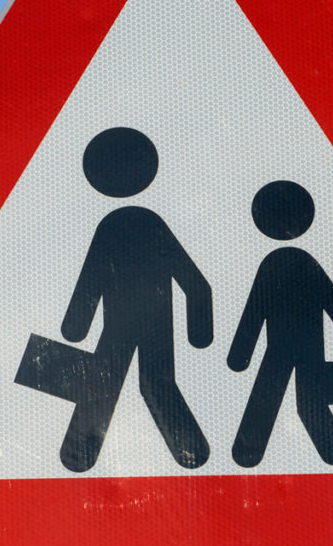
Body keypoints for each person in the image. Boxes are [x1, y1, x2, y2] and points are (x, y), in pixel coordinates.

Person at [16, 127, 213, 472]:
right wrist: (200, 328)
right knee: (153, 382)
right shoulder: (147, 223)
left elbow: (92, 278)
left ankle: (80, 456)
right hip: (149, 326)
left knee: (110, 383)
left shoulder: (116, 224)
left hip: (123, 326)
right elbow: (195, 284)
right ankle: (188, 451)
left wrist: (76, 325)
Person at [228, 180, 333, 467]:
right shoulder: (298, 262)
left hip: (284, 348)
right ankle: (331, 451)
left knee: (271, 393)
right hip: (305, 346)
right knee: (303, 399)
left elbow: (254, 312)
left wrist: (240, 354)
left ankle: (250, 452)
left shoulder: (275, 263)